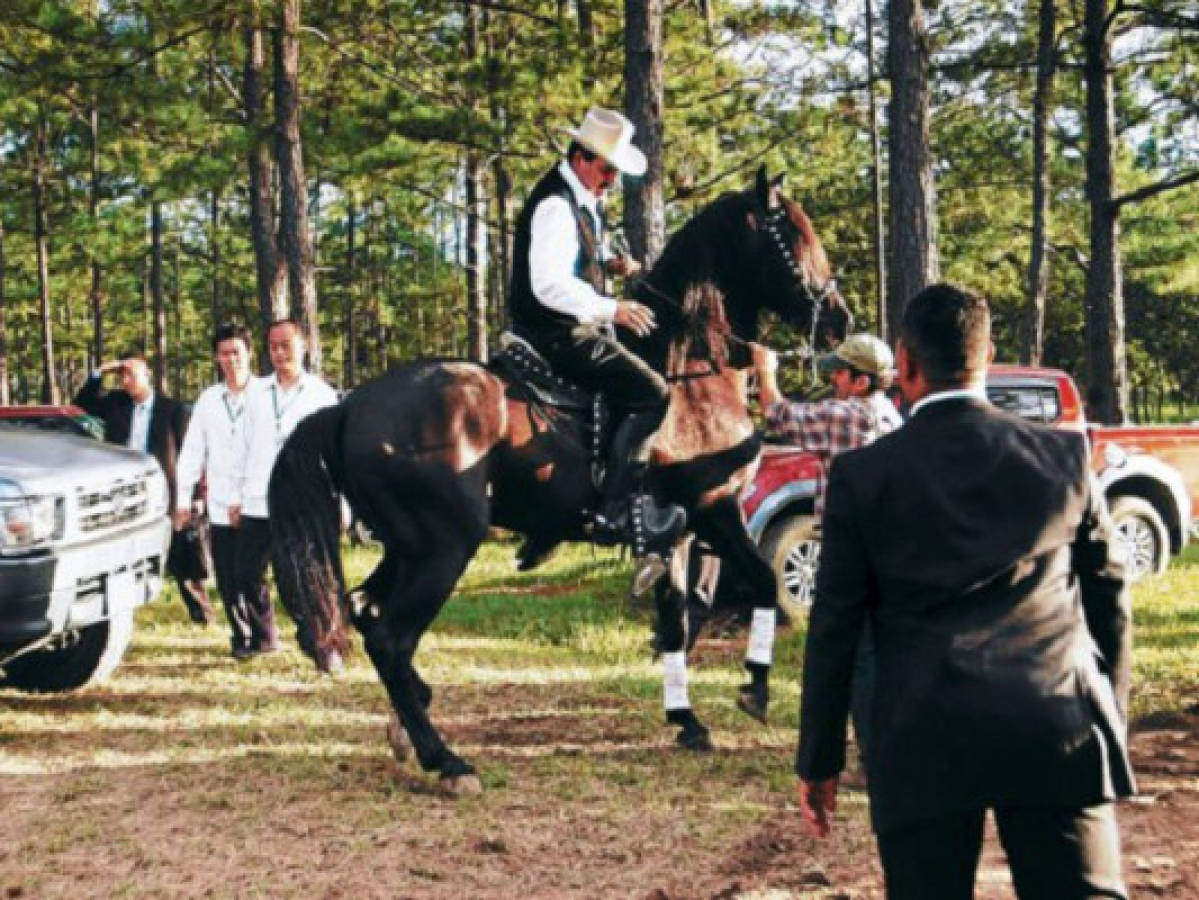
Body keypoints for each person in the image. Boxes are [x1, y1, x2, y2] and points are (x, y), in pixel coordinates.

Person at [796, 283, 1133, 899]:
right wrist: (1108, 716)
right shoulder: (1063, 455)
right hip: (1054, 726)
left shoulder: (865, 476)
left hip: (921, 735)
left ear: (905, 363)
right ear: (987, 353)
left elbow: (835, 624)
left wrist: (819, 762)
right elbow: (1110, 596)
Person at [506, 106, 684, 559]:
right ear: (581, 157)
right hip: (558, 333)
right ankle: (615, 509)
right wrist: (614, 308)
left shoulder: (579, 200)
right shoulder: (555, 206)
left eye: (616, 173)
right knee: (652, 392)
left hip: (566, 327)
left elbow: (575, 259)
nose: (611, 181)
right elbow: (548, 283)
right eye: (606, 169)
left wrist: (610, 265)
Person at [751, 333, 902, 767]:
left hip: (853, 553)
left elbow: (779, 416)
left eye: (839, 372)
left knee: (859, 659)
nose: (833, 378)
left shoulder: (847, 417)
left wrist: (766, 370)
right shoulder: (889, 414)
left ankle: (874, 764)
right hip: (889, 550)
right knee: (883, 654)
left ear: (860, 381)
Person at [75, 348, 214, 625]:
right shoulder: (115, 404)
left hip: (164, 491)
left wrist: (196, 494)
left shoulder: (172, 410)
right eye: (122, 375)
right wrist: (101, 371)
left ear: (146, 373)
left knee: (181, 557)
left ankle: (202, 614)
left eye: (131, 373)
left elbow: (190, 453)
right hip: (124, 492)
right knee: (120, 554)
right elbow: (83, 403)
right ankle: (117, 617)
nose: (126, 380)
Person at [228, 318, 338, 659]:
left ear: (303, 347)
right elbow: (241, 448)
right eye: (273, 346)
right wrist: (235, 496)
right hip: (258, 500)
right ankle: (264, 638)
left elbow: (335, 456)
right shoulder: (256, 393)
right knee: (245, 574)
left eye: (285, 345)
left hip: (302, 503)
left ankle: (319, 643)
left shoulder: (321, 394)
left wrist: (342, 504)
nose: (278, 353)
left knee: (301, 580)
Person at [175, 323, 263, 658]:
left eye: (236, 352)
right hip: (221, 504)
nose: (231, 360)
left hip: (259, 502)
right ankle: (242, 636)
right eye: (224, 354)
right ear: (216, 358)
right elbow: (193, 452)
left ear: (249, 353)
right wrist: (183, 498)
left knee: (253, 573)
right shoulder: (208, 401)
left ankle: (264, 633)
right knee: (227, 576)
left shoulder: (265, 395)